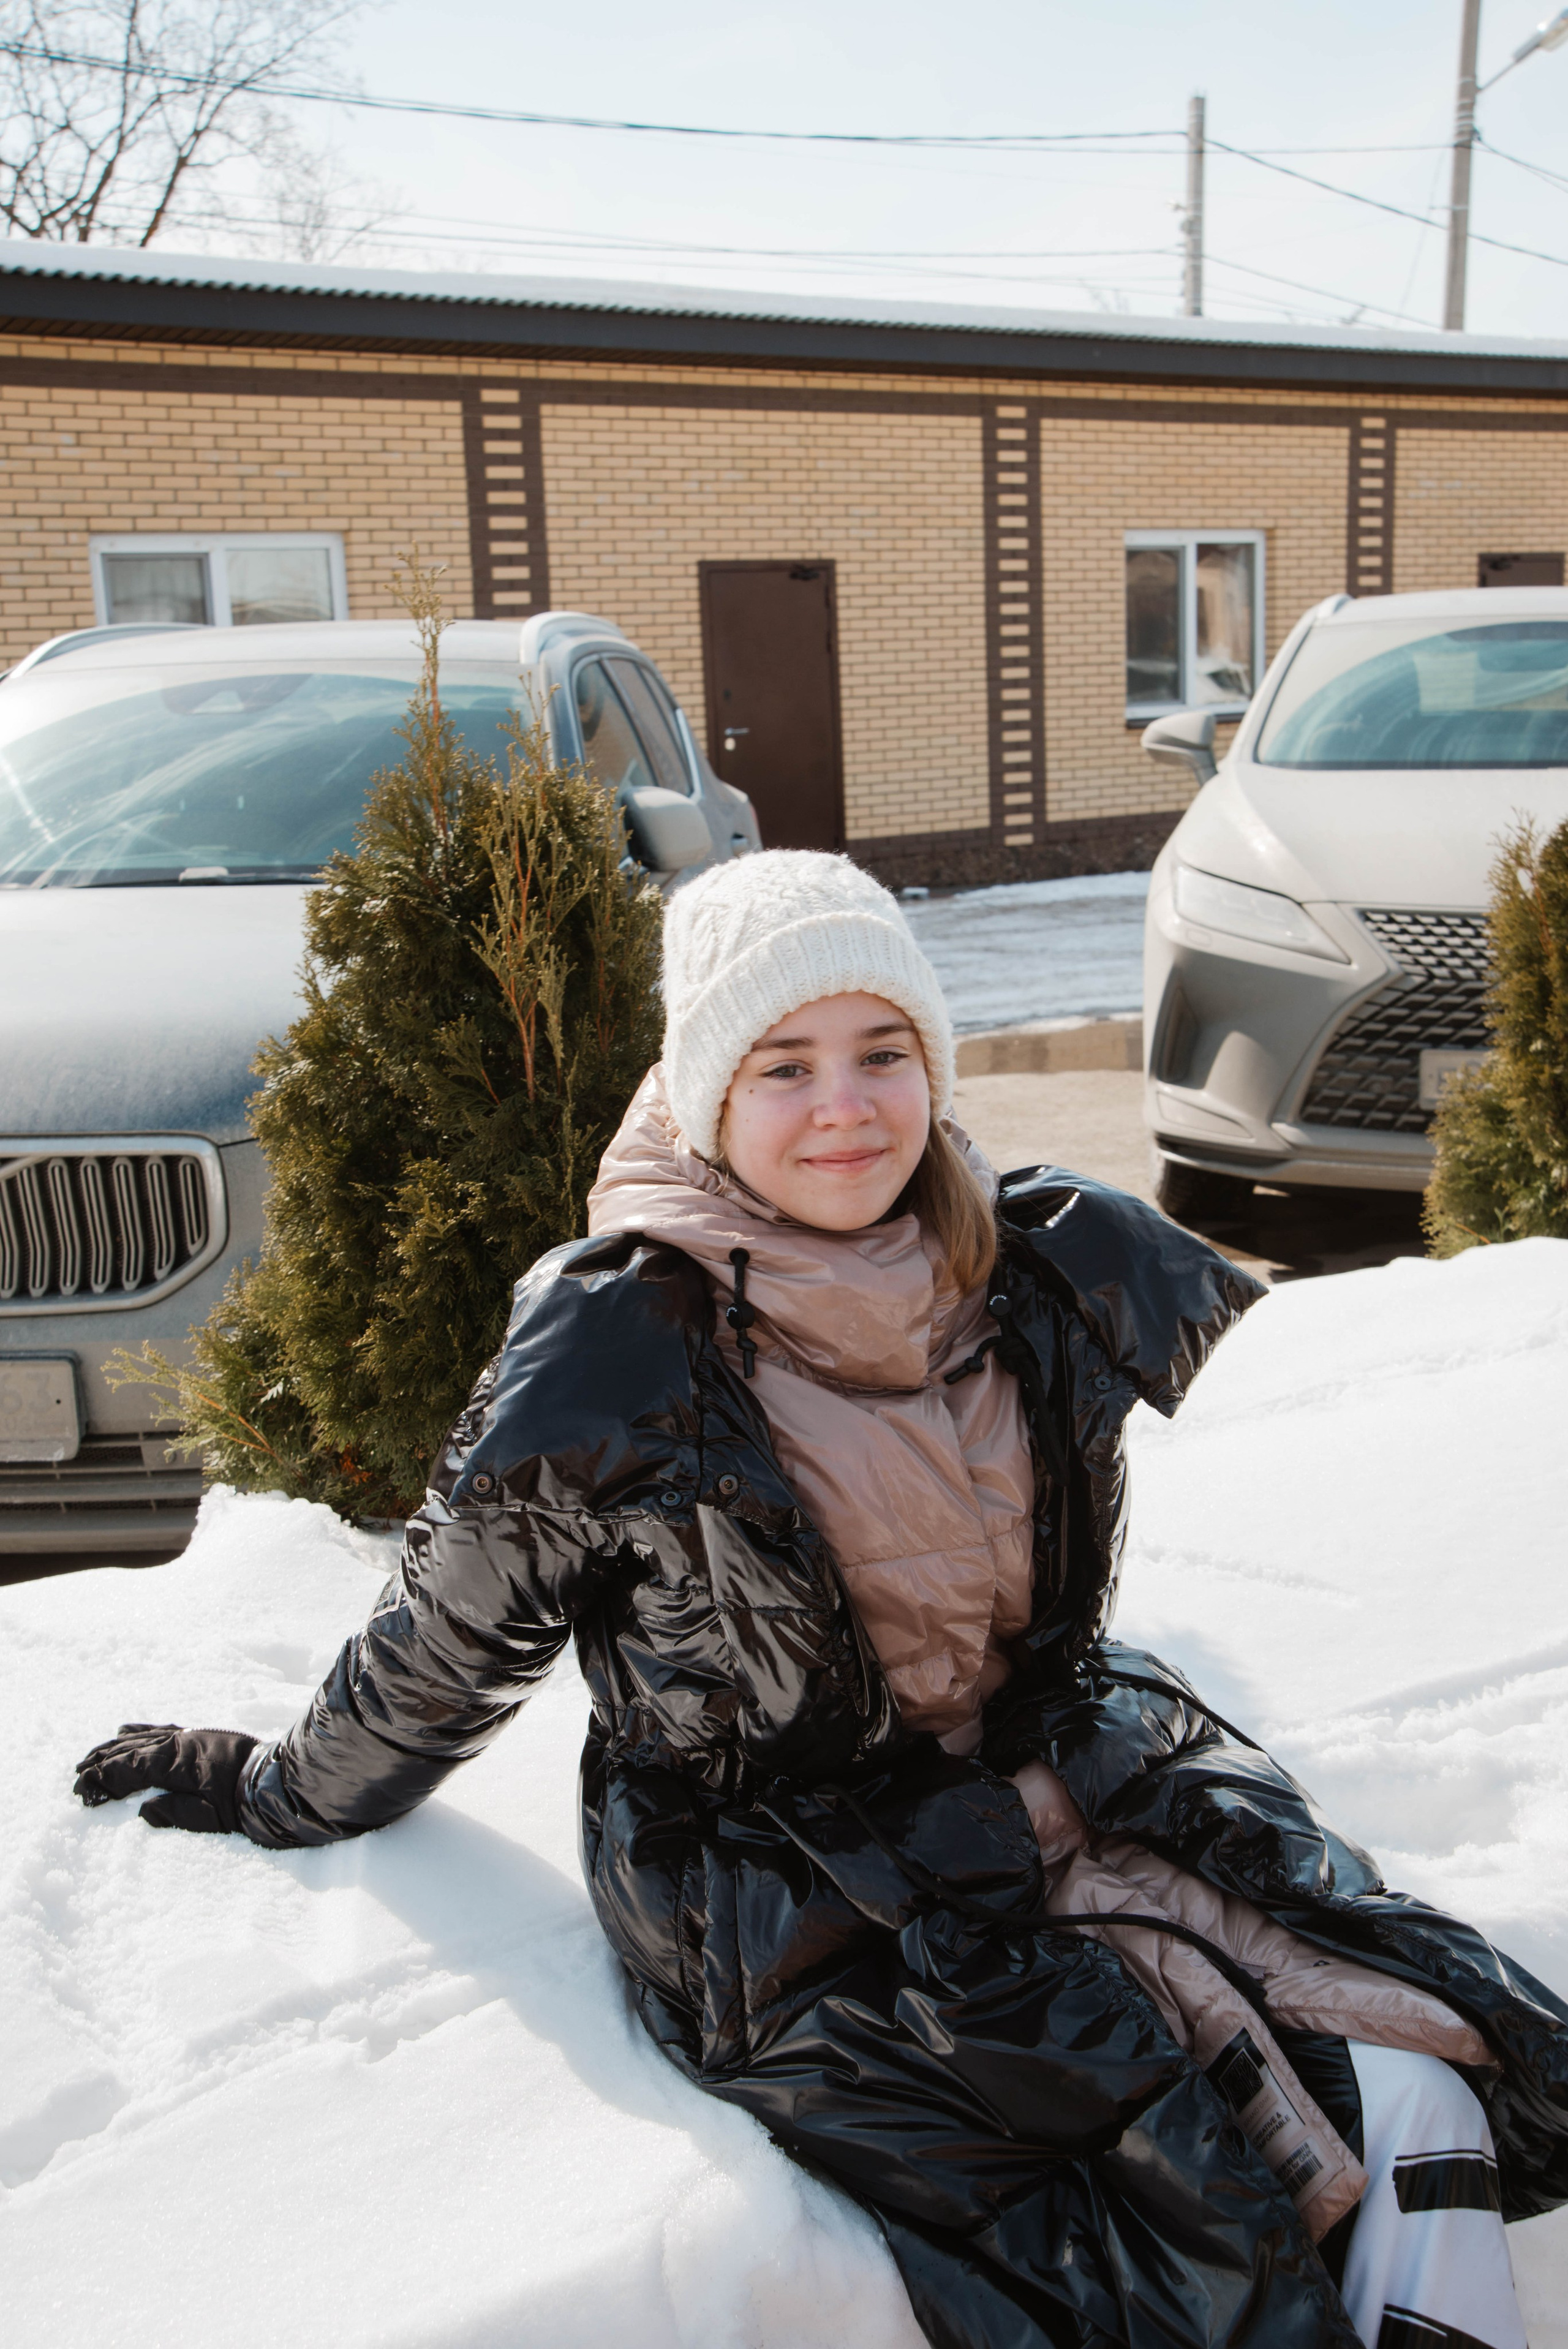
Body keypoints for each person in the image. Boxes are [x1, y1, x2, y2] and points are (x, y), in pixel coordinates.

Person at [77, 851, 1564, 2348]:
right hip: (795, 1888)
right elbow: (444, 1642)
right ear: (707, 1096)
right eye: (783, 1064)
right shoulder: (621, 1344)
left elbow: (1063, 1605)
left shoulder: (1031, 1265)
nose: (843, 1106)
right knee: (1191, 2233)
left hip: (1052, 1779)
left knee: (1428, 2066)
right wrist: (270, 1787)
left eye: (881, 1052)